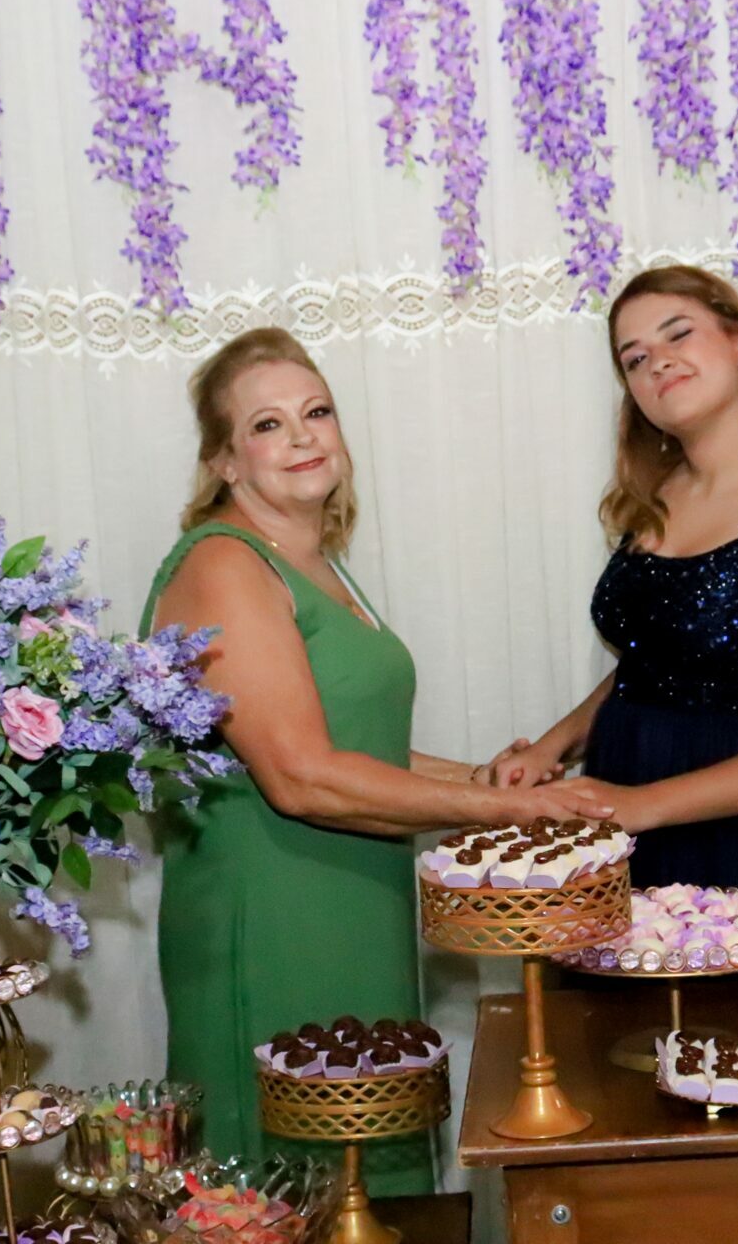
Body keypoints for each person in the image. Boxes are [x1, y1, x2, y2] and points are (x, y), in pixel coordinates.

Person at [142, 327, 608, 1176]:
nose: (303, 436)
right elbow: (302, 776)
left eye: (316, 412)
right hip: (276, 916)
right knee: (293, 1185)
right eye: (268, 424)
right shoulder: (224, 565)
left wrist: (479, 776)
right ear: (224, 462)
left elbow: (357, 741)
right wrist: (507, 807)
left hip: (357, 898)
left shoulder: (314, 562)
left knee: (370, 1170)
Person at [488, 266, 738, 911]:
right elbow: (655, 665)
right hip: (627, 805)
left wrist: (642, 806)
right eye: (635, 359)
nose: (657, 362)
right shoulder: (655, 499)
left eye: (678, 334)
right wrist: (554, 746)